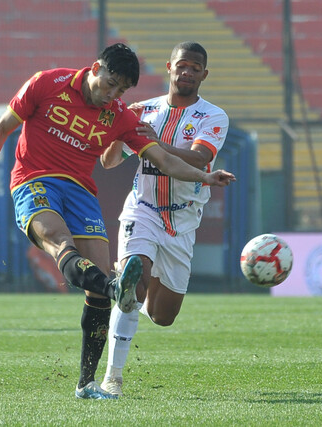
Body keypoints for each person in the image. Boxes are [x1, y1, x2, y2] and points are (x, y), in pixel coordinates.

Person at [0, 43, 236, 399]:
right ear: (95, 68)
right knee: (62, 244)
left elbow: (163, 160)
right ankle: (118, 305)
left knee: (109, 294)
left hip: (83, 194)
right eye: (110, 84)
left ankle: (86, 384)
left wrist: (205, 178)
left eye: (121, 90)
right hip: (35, 181)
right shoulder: (47, 83)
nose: (113, 95)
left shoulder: (121, 114)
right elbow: (3, 127)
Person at [98, 41, 228, 397]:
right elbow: (109, 162)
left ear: (204, 74)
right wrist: (118, 126)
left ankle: (141, 279)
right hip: (144, 208)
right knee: (131, 282)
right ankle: (113, 377)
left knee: (163, 316)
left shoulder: (214, 116)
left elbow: (199, 159)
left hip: (183, 221)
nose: (187, 72)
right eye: (181, 65)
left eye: (194, 67)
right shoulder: (141, 110)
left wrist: (151, 142)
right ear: (169, 68)